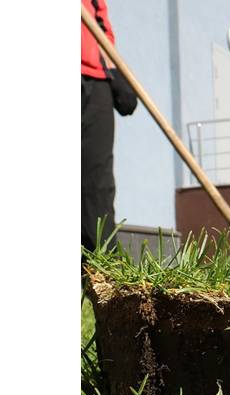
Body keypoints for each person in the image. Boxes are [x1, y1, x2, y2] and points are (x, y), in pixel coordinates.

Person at [81, 0, 121, 254]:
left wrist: (116, 72)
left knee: (98, 182)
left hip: (96, 81)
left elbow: (101, 23)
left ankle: (102, 269)